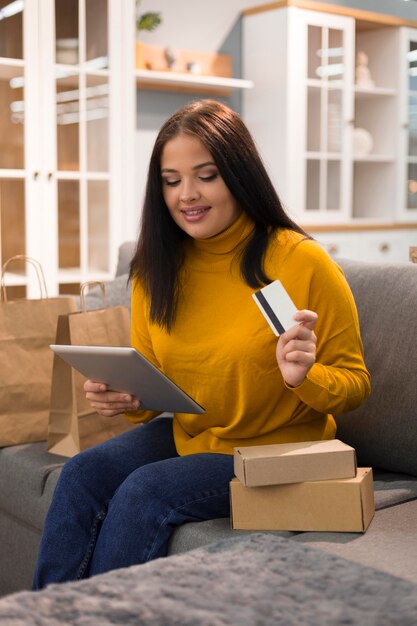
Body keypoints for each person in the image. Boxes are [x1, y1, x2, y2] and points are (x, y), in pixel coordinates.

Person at [33, 99, 370, 589]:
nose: (186, 194)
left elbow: (356, 384)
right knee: (80, 474)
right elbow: (155, 383)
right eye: (171, 180)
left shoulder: (302, 263)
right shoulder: (156, 269)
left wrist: (307, 376)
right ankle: (46, 615)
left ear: (239, 174)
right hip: (192, 435)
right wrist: (129, 399)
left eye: (206, 175)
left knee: (144, 491)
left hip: (276, 449)